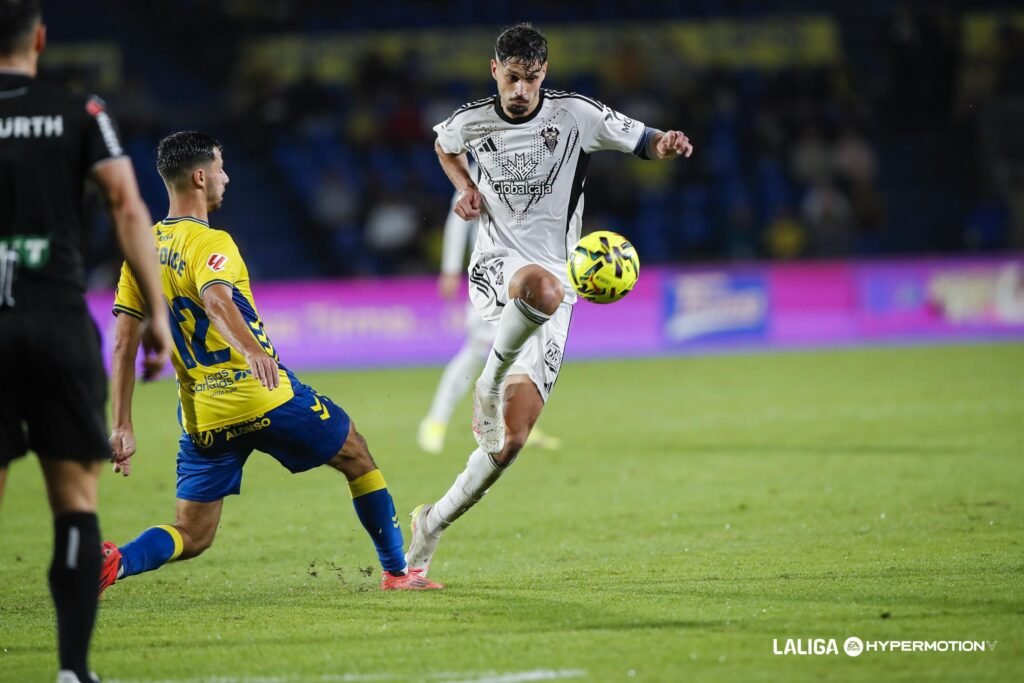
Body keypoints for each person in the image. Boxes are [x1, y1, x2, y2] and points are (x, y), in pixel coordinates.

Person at [100, 131, 441, 594]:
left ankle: (116, 562)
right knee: (356, 454)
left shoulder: (141, 248)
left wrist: (122, 423)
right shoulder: (210, 243)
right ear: (200, 177)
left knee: (192, 533)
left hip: (204, 416)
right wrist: (254, 352)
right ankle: (398, 573)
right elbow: (218, 301)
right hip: (263, 394)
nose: (226, 176)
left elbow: (123, 342)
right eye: (220, 167)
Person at [406, 23, 693, 574]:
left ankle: (430, 524)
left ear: (544, 75)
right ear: (495, 71)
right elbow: (444, 145)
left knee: (510, 441)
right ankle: (486, 385)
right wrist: (463, 189)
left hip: (558, 282)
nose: (520, 90)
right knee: (539, 286)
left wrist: (667, 143)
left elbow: (643, 141)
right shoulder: (471, 120)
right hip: (497, 270)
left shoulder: (576, 116)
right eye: (512, 78)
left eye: (531, 80)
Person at [0, 2, 172, 681]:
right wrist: (156, 313)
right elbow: (128, 206)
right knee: (74, 500)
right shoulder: (80, 110)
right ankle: (73, 670)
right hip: (55, 318)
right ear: (39, 38)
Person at [417, 164, 561, 455]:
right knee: (476, 352)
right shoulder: (484, 165)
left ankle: (516, 423)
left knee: (526, 352)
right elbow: (458, 220)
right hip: (492, 276)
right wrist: (449, 268)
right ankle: (435, 421)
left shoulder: (530, 163)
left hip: (525, 276)